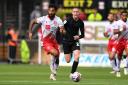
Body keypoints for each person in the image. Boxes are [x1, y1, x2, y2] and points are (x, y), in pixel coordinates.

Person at [29, 4, 65, 80]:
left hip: (54, 41)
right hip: (45, 41)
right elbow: (32, 21)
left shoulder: (58, 20)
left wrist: (62, 31)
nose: (50, 12)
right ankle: (53, 70)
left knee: (57, 56)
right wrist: (30, 32)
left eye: (52, 11)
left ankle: (53, 74)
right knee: (55, 53)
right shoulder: (43, 19)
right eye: (49, 10)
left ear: (55, 11)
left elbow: (62, 29)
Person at [62, 8, 84, 79]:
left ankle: (72, 73)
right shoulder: (68, 20)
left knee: (77, 57)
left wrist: (78, 36)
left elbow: (82, 35)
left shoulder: (81, 22)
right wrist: (63, 31)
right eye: (74, 12)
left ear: (79, 13)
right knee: (68, 61)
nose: (75, 13)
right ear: (72, 13)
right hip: (66, 41)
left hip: (75, 42)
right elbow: (61, 27)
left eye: (77, 12)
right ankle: (71, 51)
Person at [113, 10, 128, 77]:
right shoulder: (117, 23)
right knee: (119, 55)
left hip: (127, 40)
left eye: (126, 15)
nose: (125, 17)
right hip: (120, 40)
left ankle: (125, 67)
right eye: (123, 15)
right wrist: (121, 29)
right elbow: (114, 32)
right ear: (121, 16)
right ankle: (118, 69)